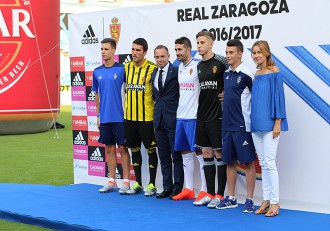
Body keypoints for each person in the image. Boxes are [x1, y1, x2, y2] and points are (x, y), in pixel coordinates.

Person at [216, 39, 256, 213]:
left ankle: (249, 200)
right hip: (226, 126)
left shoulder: (248, 74)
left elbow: (256, 99)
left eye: (231, 53)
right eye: (226, 53)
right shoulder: (226, 74)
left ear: (240, 53)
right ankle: (231, 198)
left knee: (248, 163)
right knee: (229, 162)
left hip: (242, 126)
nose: (228, 56)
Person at [250, 40, 288, 217]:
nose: (256, 55)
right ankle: (265, 199)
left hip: (271, 124)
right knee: (263, 164)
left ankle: (275, 202)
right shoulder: (256, 73)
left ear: (266, 53)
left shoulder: (275, 72)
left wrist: (278, 122)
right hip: (256, 124)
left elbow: (278, 98)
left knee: (270, 163)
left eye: (259, 52)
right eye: (254, 52)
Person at [194, 30, 229, 208]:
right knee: (206, 154)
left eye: (202, 43)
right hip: (202, 115)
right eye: (197, 43)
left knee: (219, 154)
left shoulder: (222, 61)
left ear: (211, 44)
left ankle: (220, 195)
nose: (199, 46)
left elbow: (235, 76)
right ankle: (208, 193)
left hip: (218, 116)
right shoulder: (198, 65)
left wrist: (228, 93)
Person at [170, 37, 208, 202]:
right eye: (176, 50)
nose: (177, 53)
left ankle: (205, 190)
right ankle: (189, 188)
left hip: (194, 117)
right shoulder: (179, 68)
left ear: (188, 49)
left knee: (200, 154)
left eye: (180, 49)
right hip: (181, 116)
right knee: (185, 152)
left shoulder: (198, 65)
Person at [93, 38, 131, 194]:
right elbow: (97, 95)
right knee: (109, 149)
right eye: (102, 49)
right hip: (105, 117)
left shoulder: (123, 69)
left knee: (123, 148)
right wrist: (98, 116)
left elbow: (130, 92)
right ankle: (112, 180)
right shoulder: (97, 71)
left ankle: (127, 182)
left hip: (121, 117)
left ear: (114, 51)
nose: (103, 52)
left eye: (106, 49)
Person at [124, 38, 159, 196]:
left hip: (147, 118)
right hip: (130, 118)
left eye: (138, 50)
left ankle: (152, 184)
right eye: (133, 49)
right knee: (134, 150)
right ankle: (137, 182)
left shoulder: (152, 68)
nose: (134, 53)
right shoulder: (126, 68)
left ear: (145, 52)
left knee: (151, 150)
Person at [151, 45, 184, 199]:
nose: (160, 60)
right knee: (164, 156)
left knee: (176, 156)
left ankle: (178, 187)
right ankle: (166, 187)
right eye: (157, 57)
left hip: (174, 119)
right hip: (158, 120)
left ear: (169, 56)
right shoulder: (153, 73)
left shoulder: (177, 72)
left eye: (162, 56)